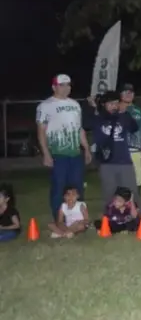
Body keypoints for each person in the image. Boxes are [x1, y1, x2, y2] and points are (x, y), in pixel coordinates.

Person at [37, 74, 92, 219]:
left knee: (77, 187)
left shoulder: (75, 104)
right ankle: (59, 218)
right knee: (59, 187)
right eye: (62, 85)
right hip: (58, 154)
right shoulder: (45, 105)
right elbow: (41, 130)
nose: (66, 87)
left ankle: (78, 217)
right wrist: (46, 153)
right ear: (54, 87)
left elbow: (79, 129)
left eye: (68, 84)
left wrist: (86, 148)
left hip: (75, 153)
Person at [86, 91, 140, 207]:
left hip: (125, 161)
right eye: (110, 104)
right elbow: (86, 124)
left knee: (131, 192)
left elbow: (134, 128)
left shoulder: (122, 116)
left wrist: (125, 113)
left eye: (116, 103)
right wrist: (92, 107)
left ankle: (136, 217)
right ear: (104, 104)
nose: (114, 106)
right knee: (109, 194)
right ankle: (111, 218)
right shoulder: (99, 118)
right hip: (106, 162)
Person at [119, 84, 141, 193]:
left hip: (135, 151)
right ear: (120, 94)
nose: (128, 95)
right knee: (120, 183)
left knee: (135, 183)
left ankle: (134, 207)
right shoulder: (114, 108)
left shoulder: (139, 111)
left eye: (131, 92)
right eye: (125, 92)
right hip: (119, 152)